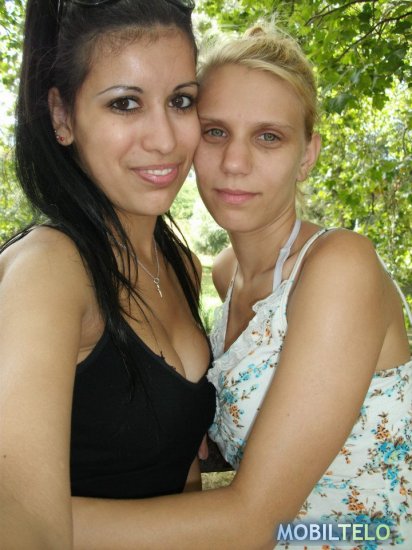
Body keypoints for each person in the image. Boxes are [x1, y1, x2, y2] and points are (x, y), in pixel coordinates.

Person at [71, 27, 412, 549]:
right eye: (215, 132)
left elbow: (253, 521)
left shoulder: (339, 268)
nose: (235, 162)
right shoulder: (224, 273)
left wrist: (31, 519)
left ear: (308, 154)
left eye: (268, 137)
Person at [0, 0, 216, 547]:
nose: (165, 139)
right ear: (62, 117)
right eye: (125, 103)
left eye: (181, 101)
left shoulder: (180, 265)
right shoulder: (50, 270)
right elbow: (20, 526)